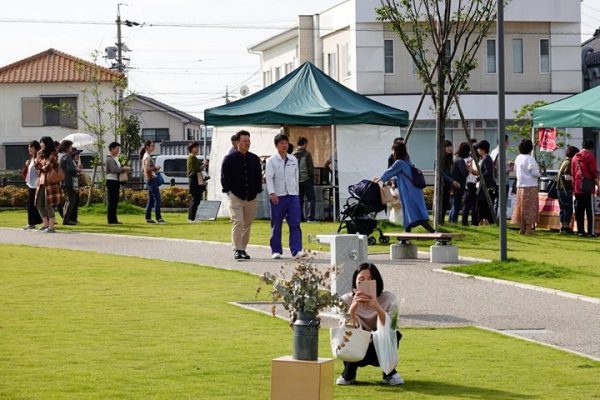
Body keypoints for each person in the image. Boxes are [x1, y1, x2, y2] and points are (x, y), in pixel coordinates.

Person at [336, 263, 403, 386]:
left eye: (370, 279)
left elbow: (392, 326)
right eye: (361, 280)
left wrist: (377, 307)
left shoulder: (389, 298)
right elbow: (345, 327)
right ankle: (349, 373)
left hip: (381, 345)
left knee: (395, 333)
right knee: (347, 334)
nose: (366, 283)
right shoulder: (346, 300)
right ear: (355, 283)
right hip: (357, 345)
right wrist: (353, 308)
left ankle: (389, 373)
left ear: (377, 281)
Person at [221, 130, 263, 260]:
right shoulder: (229, 159)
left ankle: (243, 248)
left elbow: (258, 177)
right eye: (244, 141)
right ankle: (237, 249)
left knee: (247, 223)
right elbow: (224, 177)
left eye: (248, 141)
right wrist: (229, 191)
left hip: (251, 196)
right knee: (237, 221)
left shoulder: (254, 158)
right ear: (237, 142)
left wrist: (257, 191)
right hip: (235, 196)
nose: (247, 143)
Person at [375, 142, 435, 233]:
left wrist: (379, 180)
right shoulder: (407, 161)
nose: (392, 153)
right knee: (409, 213)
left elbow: (389, 172)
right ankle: (405, 237)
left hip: (409, 192)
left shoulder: (399, 163)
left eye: (393, 150)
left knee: (416, 214)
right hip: (415, 191)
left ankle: (434, 232)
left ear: (396, 151)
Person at [265, 133, 302, 259]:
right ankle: (276, 250)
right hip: (278, 196)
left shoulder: (293, 159)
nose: (284, 145)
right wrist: (272, 193)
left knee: (295, 223)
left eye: (286, 143)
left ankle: (296, 250)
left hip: (292, 195)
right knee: (276, 223)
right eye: (281, 143)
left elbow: (296, 177)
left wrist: (296, 193)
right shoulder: (271, 160)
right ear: (276, 145)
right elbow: (269, 178)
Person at [511, 139, 540, 235]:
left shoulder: (518, 157)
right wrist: (540, 173)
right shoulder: (530, 159)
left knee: (521, 207)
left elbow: (515, 169)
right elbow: (534, 172)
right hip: (530, 185)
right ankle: (528, 229)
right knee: (530, 207)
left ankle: (522, 228)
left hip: (520, 185)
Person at [571, 139, 599, 237]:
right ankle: (591, 231)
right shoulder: (590, 156)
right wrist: (598, 184)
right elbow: (594, 172)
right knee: (590, 210)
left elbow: (573, 173)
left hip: (577, 186)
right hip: (587, 186)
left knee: (579, 210)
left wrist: (574, 187)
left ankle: (580, 230)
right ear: (591, 147)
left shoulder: (575, 157)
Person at [34, 136, 63, 233]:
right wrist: (37, 156)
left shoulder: (53, 154)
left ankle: (51, 227)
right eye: (40, 142)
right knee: (38, 203)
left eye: (42, 142)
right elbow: (37, 167)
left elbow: (47, 168)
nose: (41, 144)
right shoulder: (43, 155)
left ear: (47, 143)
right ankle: (45, 224)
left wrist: (40, 165)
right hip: (42, 182)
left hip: (50, 184)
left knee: (48, 205)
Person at [469, 140, 496, 225]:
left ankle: (487, 221)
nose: (477, 150)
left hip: (486, 186)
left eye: (478, 148)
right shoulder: (483, 158)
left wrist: (478, 175)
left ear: (483, 149)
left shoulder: (487, 159)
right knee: (481, 204)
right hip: (481, 185)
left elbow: (488, 172)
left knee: (484, 205)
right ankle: (482, 221)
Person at [140, 140, 166, 224]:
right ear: (147, 146)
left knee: (151, 200)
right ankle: (158, 218)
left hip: (149, 179)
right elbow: (147, 169)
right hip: (151, 179)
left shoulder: (145, 156)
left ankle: (148, 218)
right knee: (157, 199)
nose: (153, 147)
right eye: (151, 145)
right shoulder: (147, 156)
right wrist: (156, 168)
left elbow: (143, 169)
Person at [106, 142, 130, 225]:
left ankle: (114, 219)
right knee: (112, 200)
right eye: (117, 149)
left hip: (116, 180)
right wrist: (124, 169)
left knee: (115, 200)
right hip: (111, 180)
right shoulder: (109, 159)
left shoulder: (115, 158)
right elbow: (114, 170)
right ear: (112, 149)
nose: (118, 150)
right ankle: (111, 219)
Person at [556, 146, 578, 234]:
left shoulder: (564, 161)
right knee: (568, 208)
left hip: (559, 188)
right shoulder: (569, 162)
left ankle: (562, 226)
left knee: (562, 208)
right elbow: (567, 176)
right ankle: (566, 227)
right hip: (566, 188)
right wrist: (575, 177)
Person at [58, 140, 81, 225]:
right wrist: (77, 169)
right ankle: (66, 220)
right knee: (71, 200)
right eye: (71, 146)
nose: (71, 148)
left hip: (63, 181)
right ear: (67, 147)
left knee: (68, 200)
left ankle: (65, 218)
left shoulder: (60, 156)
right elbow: (70, 169)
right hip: (69, 181)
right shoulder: (67, 156)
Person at [293, 136, 316, 222]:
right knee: (311, 199)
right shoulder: (307, 154)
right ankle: (310, 218)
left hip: (297, 180)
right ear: (305, 144)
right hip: (306, 179)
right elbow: (310, 168)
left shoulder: (292, 154)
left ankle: (300, 217)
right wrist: (312, 177)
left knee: (299, 200)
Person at [23, 140, 43, 230]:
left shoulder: (37, 158)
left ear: (35, 148)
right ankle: (35, 222)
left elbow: (39, 170)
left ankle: (32, 223)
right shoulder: (32, 159)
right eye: (28, 147)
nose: (29, 149)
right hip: (31, 185)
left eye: (31, 147)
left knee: (32, 205)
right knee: (33, 205)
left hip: (36, 185)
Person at [449, 142, 470, 223]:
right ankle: (454, 222)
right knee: (456, 205)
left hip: (453, 183)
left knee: (454, 205)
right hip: (458, 184)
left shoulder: (454, 158)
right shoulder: (460, 160)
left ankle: (451, 221)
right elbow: (464, 173)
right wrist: (468, 168)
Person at [187, 142, 208, 223]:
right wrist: (204, 164)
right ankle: (192, 219)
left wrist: (202, 164)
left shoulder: (192, 157)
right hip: (194, 179)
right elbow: (197, 169)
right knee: (196, 199)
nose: (197, 149)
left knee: (194, 199)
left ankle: (191, 218)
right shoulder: (192, 157)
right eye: (195, 147)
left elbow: (197, 167)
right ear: (192, 149)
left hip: (194, 179)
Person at [462, 139, 479, 226]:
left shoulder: (469, 159)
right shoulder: (472, 160)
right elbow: (473, 171)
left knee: (469, 204)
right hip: (471, 183)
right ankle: (469, 222)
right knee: (470, 204)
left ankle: (467, 222)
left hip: (470, 183)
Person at [442, 140, 460, 220]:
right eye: (447, 146)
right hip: (442, 185)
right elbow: (441, 173)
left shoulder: (450, 159)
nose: (449, 148)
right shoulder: (440, 159)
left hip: (448, 185)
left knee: (445, 204)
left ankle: (441, 222)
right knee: (442, 205)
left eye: (450, 146)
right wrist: (452, 181)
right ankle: (439, 222)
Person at [70, 147, 83, 224]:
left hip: (76, 184)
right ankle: (72, 218)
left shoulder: (74, 162)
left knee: (76, 201)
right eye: (77, 154)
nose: (78, 155)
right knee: (73, 202)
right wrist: (77, 169)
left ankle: (75, 218)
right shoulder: (71, 162)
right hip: (72, 184)